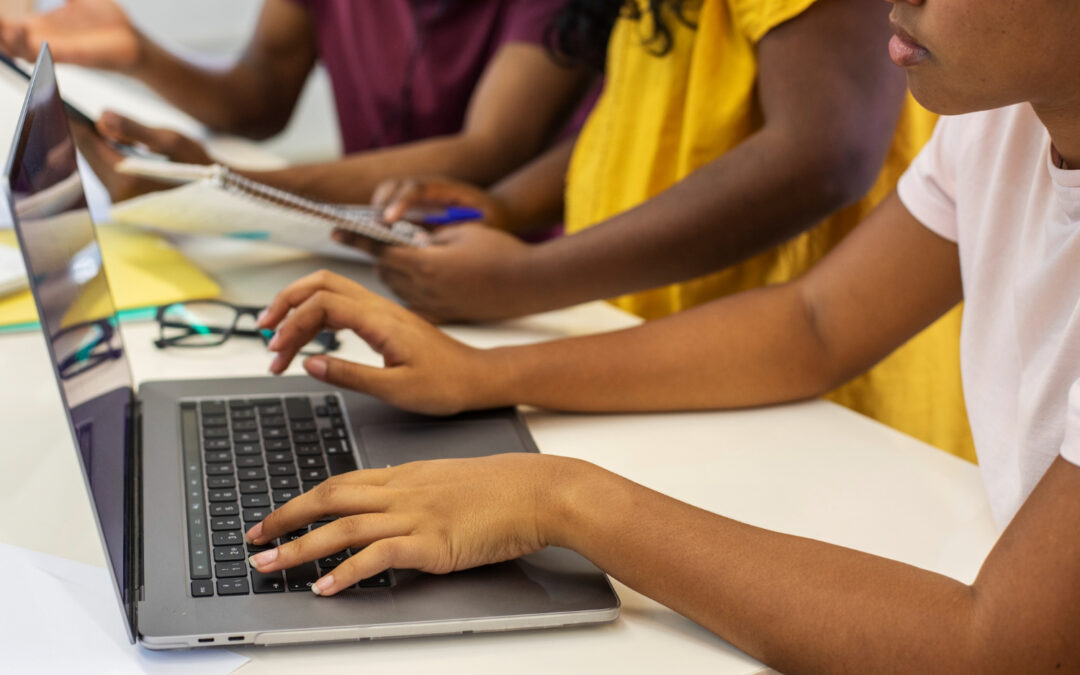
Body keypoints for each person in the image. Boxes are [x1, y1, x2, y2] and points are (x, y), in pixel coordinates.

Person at [242, 0, 1080, 668]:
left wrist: (562, 498)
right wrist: (482, 371)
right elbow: (813, 324)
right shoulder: (997, 122)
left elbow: (998, 647)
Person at [336, 0, 974, 460]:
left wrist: (523, 281)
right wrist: (504, 206)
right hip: (670, 363)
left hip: (813, 405)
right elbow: (645, 121)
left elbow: (824, 154)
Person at [0, 0, 592, 202]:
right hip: (371, 255)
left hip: (513, 273)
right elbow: (261, 99)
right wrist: (138, 53)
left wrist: (228, 182)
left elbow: (492, 150)